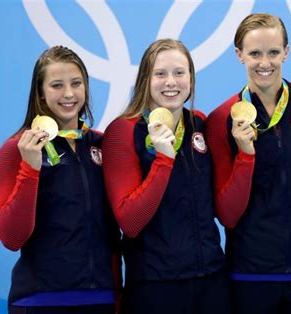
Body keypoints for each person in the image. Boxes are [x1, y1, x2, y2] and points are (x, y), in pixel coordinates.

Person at [206, 13, 291, 314]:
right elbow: (227, 213)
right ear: (239, 55)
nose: (265, 63)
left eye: (274, 52)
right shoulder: (221, 119)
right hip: (251, 272)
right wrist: (245, 155)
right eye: (254, 54)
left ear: (287, 52)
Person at [102, 39, 229, 314]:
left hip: (211, 281)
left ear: (191, 80)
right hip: (155, 286)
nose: (170, 82)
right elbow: (130, 222)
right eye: (160, 74)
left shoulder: (200, 124)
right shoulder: (123, 131)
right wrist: (163, 160)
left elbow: (223, 207)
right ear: (145, 79)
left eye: (179, 73)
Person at [0, 46, 122, 314]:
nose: (69, 94)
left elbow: (113, 230)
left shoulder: (100, 144)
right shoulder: (16, 149)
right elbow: (11, 237)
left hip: (100, 299)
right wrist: (30, 168)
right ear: (40, 92)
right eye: (56, 85)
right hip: (40, 301)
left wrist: (117, 293)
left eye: (76, 83)